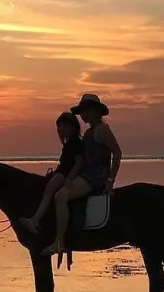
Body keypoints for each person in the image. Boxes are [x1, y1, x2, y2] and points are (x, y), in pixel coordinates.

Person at [43, 93, 122, 256]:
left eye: (86, 110)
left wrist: (110, 180)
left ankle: (60, 242)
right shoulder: (88, 133)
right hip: (87, 174)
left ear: (95, 111)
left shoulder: (102, 130)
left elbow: (117, 153)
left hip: (95, 177)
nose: (83, 115)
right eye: (82, 111)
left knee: (61, 196)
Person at [20, 112, 84, 234]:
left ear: (73, 127)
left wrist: (70, 177)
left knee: (49, 190)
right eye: (59, 126)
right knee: (46, 188)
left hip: (64, 174)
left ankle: (36, 219)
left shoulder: (75, 143)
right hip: (62, 172)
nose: (60, 128)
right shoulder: (69, 143)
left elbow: (79, 162)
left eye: (64, 125)